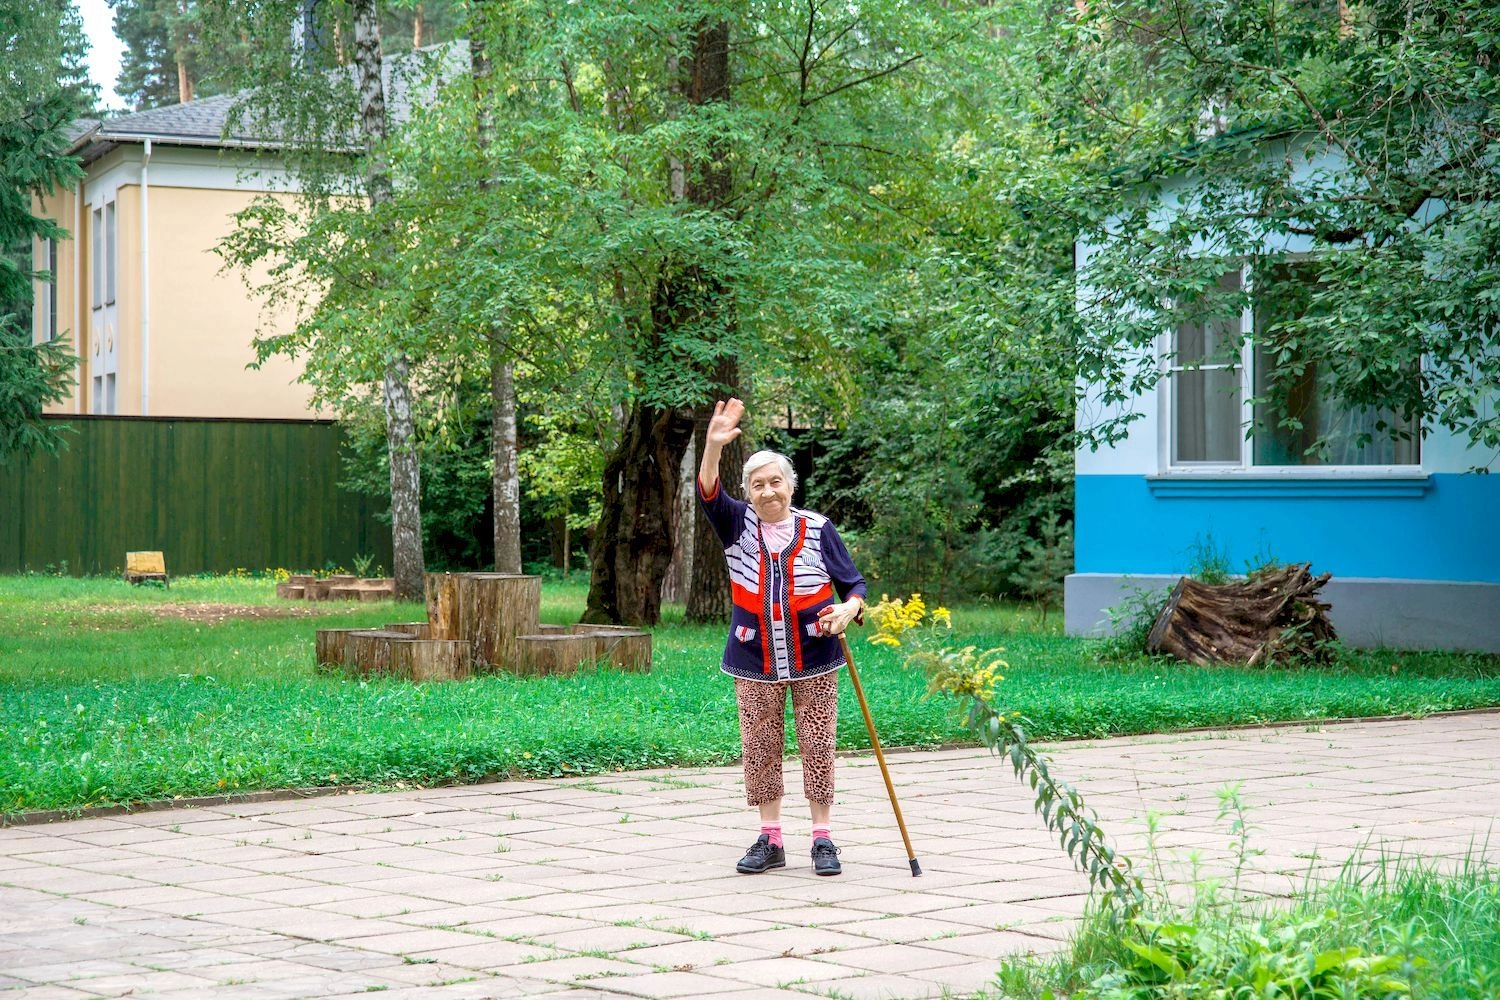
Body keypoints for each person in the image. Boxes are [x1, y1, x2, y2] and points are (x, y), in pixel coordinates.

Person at [696, 397, 867, 876]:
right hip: (754, 656)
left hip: (816, 652)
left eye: (776, 482)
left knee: (818, 743)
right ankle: (770, 838)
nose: (768, 492)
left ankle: (822, 839)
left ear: (791, 486)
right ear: (747, 493)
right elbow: (708, 491)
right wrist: (713, 446)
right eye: (757, 485)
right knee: (760, 746)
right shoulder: (736, 526)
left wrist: (849, 607)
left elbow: (853, 582)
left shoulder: (818, 528)